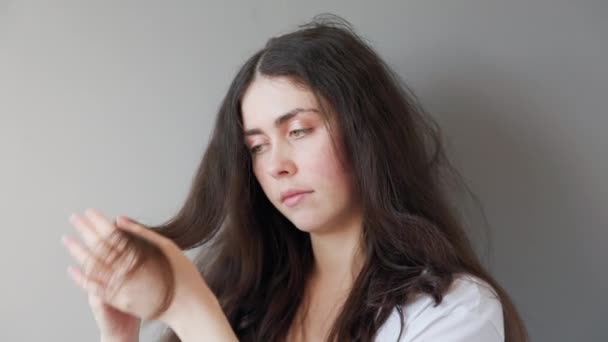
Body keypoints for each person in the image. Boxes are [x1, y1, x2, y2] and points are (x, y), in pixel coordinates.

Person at [62, 14, 529, 342]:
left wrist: (188, 306)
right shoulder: (246, 296)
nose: (275, 164)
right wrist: (119, 336)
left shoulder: (452, 311)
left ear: (365, 133)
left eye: (300, 131)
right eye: (257, 146)